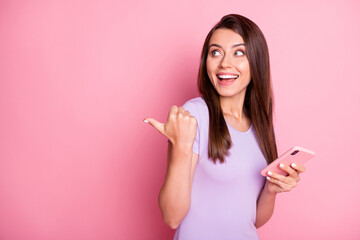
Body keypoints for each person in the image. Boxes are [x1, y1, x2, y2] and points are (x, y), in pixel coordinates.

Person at [144, 14, 305, 240]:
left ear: (256, 62)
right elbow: (172, 217)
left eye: (239, 52)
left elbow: (253, 220)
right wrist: (181, 148)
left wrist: (271, 189)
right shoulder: (195, 115)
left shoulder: (264, 127)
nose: (225, 64)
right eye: (215, 52)